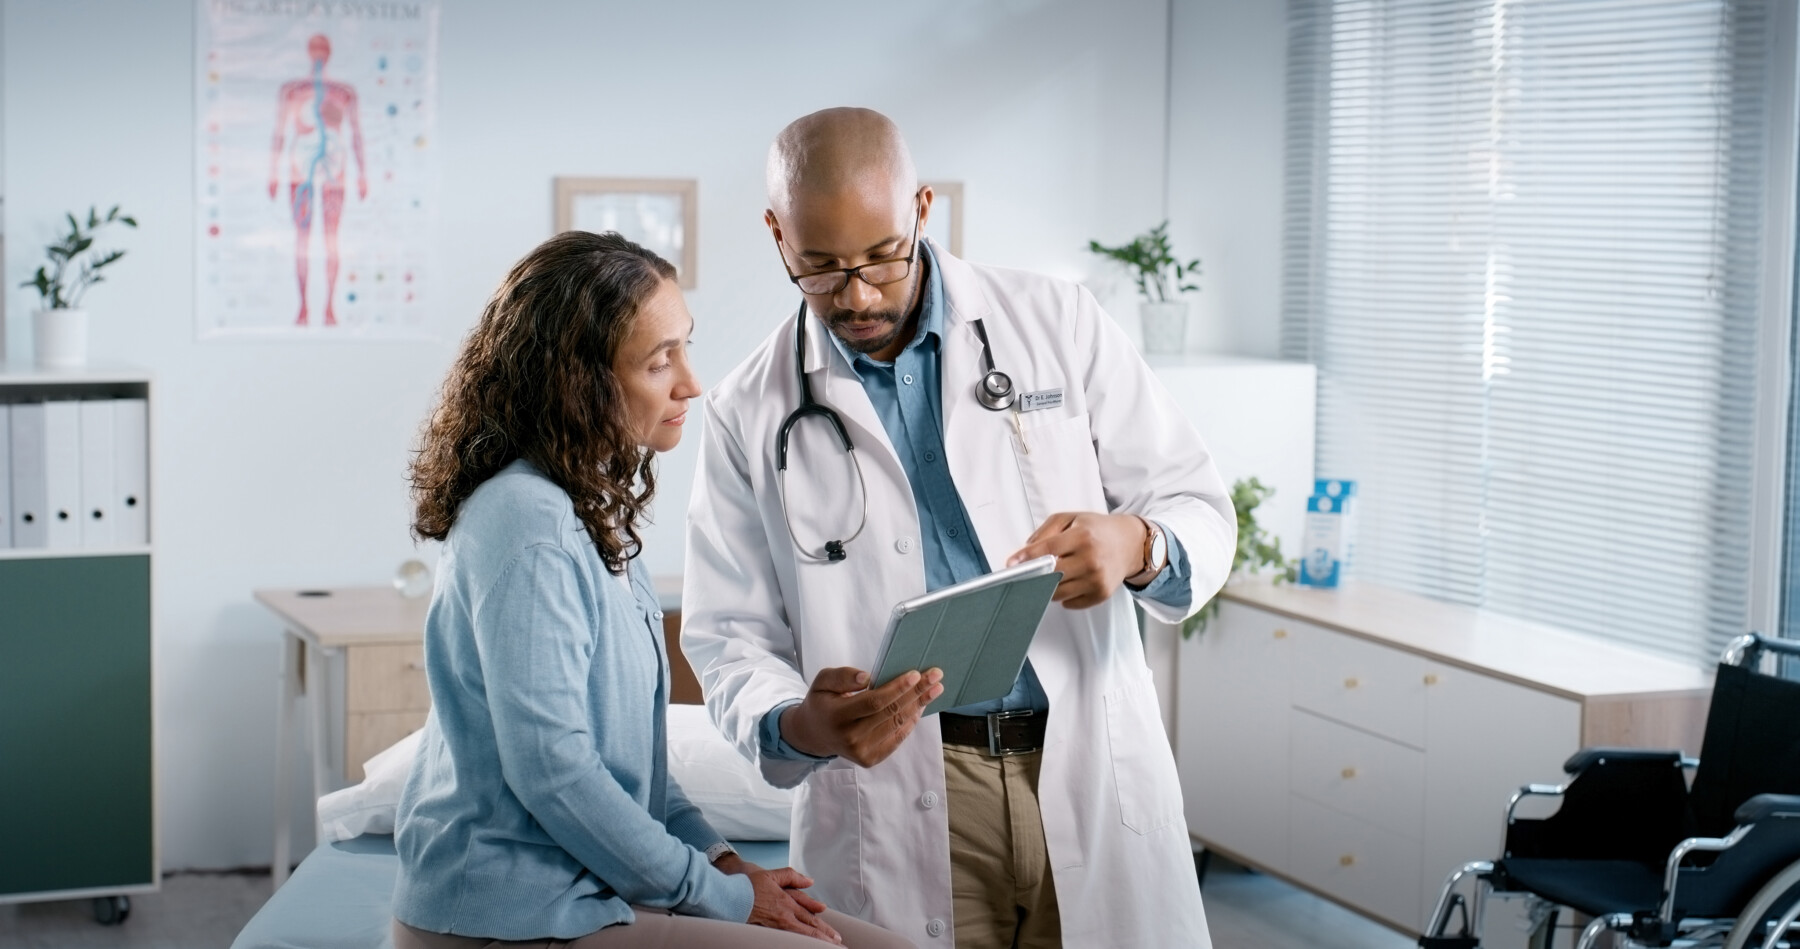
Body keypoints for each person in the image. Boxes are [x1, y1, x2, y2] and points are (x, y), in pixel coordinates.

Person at [683, 108, 1235, 948]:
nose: (858, 294)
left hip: (1078, 758)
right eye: (822, 269)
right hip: (898, 788)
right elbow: (728, 637)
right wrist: (800, 721)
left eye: (881, 258)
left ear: (923, 209)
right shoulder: (744, 411)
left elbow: (1194, 501)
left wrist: (1137, 544)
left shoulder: (1058, 322)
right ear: (776, 235)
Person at [393, 230, 910, 949]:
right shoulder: (526, 520)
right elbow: (555, 770)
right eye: (658, 360)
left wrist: (726, 860)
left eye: (684, 347)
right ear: (577, 379)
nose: (691, 382)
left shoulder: (590, 508)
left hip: (589, 889)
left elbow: (638, 768)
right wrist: (718, 896)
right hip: (508, 909)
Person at [267, 32, 366, 327]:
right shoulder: (293, 91)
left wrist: (362, 174)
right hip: (301, 171)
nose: (319, 53)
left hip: (334, 173)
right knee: (303, 240)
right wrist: (273, 172)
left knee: (331, 240)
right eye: (316, 48)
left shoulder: (344, 92)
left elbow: (356, 134)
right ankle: (303, 307)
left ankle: (329, 308)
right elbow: (280, 132)